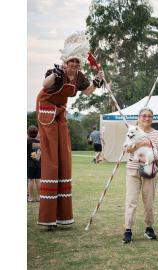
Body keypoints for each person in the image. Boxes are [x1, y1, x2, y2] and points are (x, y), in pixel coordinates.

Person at [36, 32, 104, 230]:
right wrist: (54, 75)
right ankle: (49, 218)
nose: (74, 64)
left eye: (77, 61)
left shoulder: (80, 76)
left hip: (61, 112)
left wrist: (98, 81)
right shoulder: (57, 72)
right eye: (71, 61)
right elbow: (45, 85)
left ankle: (63, 216)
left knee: (64, 157)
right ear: (65, 61)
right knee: (51, 161)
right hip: (47, 109)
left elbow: (88, 90)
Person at [122, 107, 158, 244]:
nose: (147, 118)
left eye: (150, 116)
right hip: (132, 170)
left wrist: (149, 156)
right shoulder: (132, 130)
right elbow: (126, 149)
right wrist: (142, 143)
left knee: (149, 202)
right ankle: (128, 230)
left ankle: (149, 228)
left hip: (149, 170)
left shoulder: (157, 134)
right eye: (144, 116)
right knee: (131, 201)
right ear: (139, 117)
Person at [27, 125, 41, 202]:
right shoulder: (38, 142)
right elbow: (36, 156)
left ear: (28, 133)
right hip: (37, 164)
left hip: (30, 165)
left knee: (30, 180)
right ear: (36, 133)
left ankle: (30, 197)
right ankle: (39, 197)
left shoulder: (27, 141)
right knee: (38, 180)